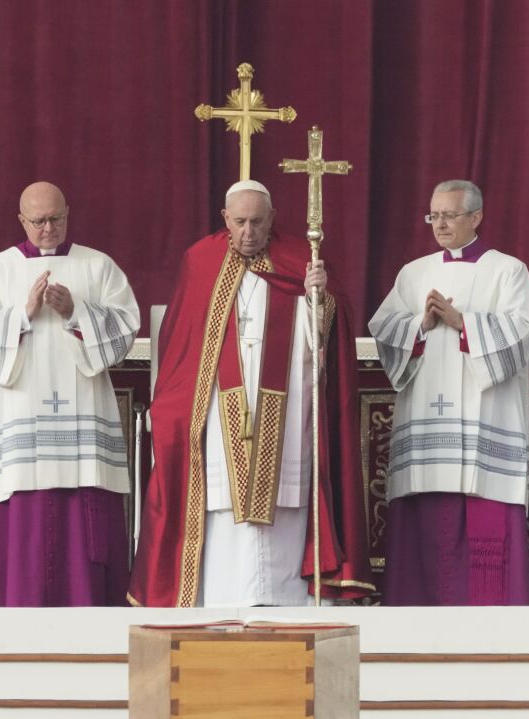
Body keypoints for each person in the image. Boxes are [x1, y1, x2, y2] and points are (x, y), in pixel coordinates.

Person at [129, 180, 373, 607]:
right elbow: (181, 347)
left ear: (273, 219)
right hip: (218, 419)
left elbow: (328, 344)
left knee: (285, 507)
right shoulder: (200, 261)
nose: (248, 232)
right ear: (225, 219)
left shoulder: (302, 259)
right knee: (222, 512)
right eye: (239, 222)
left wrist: (321, 299)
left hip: (289, 414)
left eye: (257, 222)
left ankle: (291, 605)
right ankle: (217, 602)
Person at [0, 181, 139, 606]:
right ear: (22, 220)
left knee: (83, 523)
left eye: (56, 219)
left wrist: (76, 312)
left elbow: (125, 327)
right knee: (26, 532)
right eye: (38, 221)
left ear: (68, 213)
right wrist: (23, 314)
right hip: (22, 428)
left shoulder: (97, 267)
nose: (48, 228)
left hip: (83, 439)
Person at [369, 180, 529, 605]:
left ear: (476, 217)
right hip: (427, 417)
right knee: (423, 518)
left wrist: (464, 323)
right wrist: (419, 325)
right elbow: (385, 332)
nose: (439, 224)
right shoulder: (414, 273)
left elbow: (521, 335)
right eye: (434, 215)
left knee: (485, 512)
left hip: (485, 421)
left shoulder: (507, 270)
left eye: (449, 215)